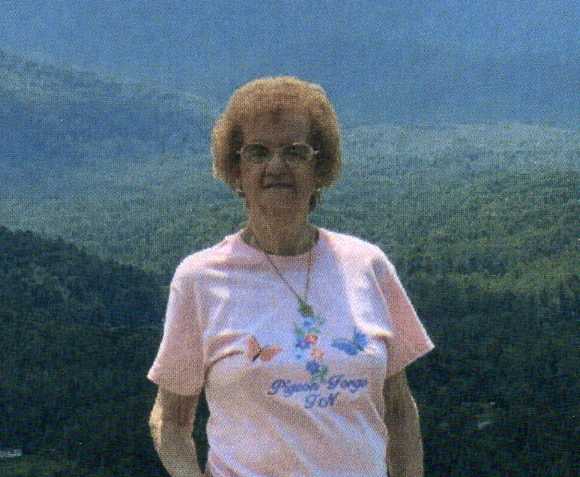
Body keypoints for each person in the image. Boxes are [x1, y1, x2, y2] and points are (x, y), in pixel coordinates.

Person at [147, 76, 435, 477]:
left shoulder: (368, 265)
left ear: (319, 167)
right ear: (236, 170)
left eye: (295, 152)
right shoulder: (200, 279)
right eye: (258, 152)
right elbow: (171, 421)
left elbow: (399, 409)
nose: (276, 166)